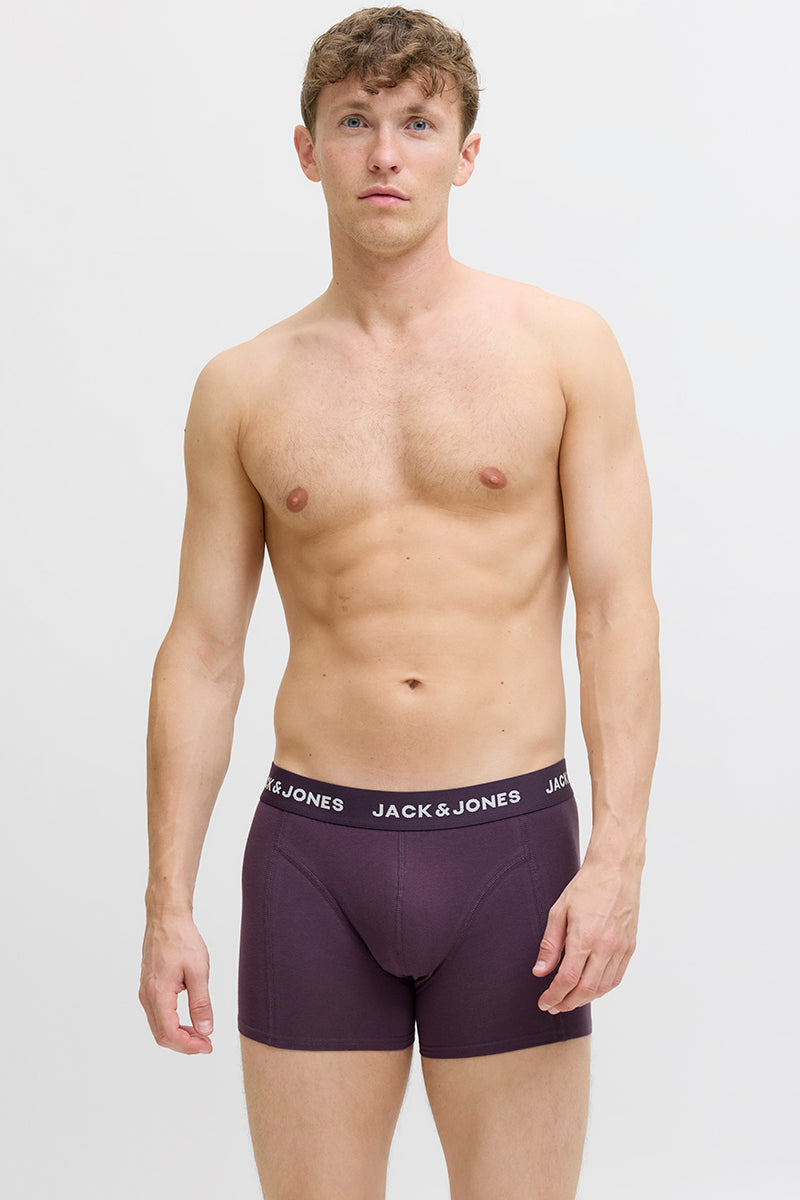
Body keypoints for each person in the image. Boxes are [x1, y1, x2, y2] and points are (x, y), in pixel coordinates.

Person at [138, 6, 660, 1198]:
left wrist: (617, 858)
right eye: (354, 121)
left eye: (417, 124)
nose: (384, 154)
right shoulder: (241, 388)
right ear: (306, 148)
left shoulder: (562, 351)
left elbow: (616, 615)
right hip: (310, 857)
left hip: (511, 851)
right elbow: (203, 651)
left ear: (464, 154)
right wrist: (167, 902)